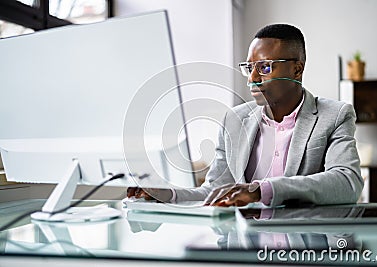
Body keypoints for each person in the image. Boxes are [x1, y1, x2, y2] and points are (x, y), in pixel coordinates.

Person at [127, 23, 363, 207]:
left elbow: (347, 182)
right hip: (245, 246)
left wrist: (262, 190)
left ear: (297, 69)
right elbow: (214, 191)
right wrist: (168, 194)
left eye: (265, 67)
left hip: (303, 249)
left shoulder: (334, 115)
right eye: (249, 68)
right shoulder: (234, 121)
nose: (252, 79)